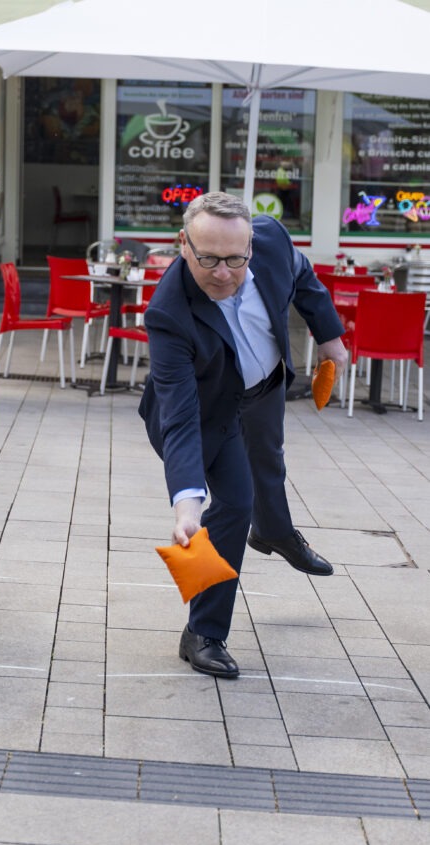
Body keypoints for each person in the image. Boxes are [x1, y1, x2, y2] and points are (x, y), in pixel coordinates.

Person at [139, 192, 347, 679]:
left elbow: (303, 277)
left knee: (268, 460)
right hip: (209, 412)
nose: (223, 272)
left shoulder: (272, 239)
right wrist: (187, 503)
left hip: (263, 383)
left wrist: (330, 336)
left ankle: (273, 531)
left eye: (235, 259)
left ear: (252, 245)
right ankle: (204, 634)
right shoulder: (168, 313)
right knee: (232, 501)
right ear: (183, 245)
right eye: (208, 258)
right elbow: (180, 413)